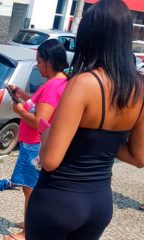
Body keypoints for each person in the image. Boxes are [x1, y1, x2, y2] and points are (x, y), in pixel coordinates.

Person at [25, 0, 144, 239]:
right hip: (100, 202)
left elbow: (49, 160)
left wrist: (48, 130)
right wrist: (100, 142)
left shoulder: (83, 83)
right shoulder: (139, 89)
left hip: (59, 200)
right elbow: (138, 157)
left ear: (89, 35)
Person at [4, 39, 69, 240]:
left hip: (34, 145)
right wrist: (24, 95)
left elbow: (39, 121)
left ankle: (28, 232)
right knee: (33, 188)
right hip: (37, 144)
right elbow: (41, 106)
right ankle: (31, 223)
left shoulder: (51, 87)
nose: (37, 66)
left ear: (49, 61)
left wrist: (20, 110)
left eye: (39, 61)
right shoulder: (60, 82)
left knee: (29, 189)